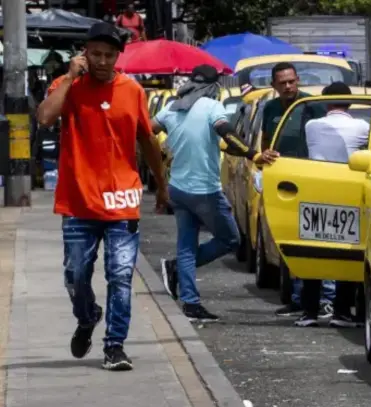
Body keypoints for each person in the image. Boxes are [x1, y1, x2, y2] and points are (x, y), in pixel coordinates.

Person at [36, 22, 167, 371]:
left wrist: (162, 185)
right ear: (84, 53)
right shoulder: (68, 87)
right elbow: (45, 117)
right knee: (75, 274)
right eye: (95, 53)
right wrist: (68, 78)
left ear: (117, 57)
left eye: (109, 55)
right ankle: (87, 315)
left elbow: (147, 141)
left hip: (121, 201)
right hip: (78, 201)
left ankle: (115, 347)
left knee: (121, 275)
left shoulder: (132, 90)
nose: (102, 61)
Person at [154, 65, 267, 322]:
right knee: (230, 240)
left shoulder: (172, 107)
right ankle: (178, 274)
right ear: (215, 87)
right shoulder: (212, 106)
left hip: (178, 190)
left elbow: (147, 130)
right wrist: (255, 154)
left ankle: (190, 302)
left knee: (186, 245)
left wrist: (162, 155)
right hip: (204, 190)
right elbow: (227, 134)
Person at [258, 62, 335, 319]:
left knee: (314, 242)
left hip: (313, 181)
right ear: (274, 86)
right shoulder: (269, 108)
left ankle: (323, 299)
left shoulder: (311, 106)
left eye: (291, 81)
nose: (288, 86)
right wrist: (263, 160)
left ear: (298, 80)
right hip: (285, 183)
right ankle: (297, 298)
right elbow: (266, 141)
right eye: (282, 82)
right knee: (289, 243)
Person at [295, 82, 369, 328]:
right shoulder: (362, 126)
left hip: (314, 193)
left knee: (314, 251)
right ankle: (342, 312)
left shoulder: (311, 126)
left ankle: (309, 312)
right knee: (347, 251)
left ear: (326, 103)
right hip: (346, 194)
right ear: (350, 103)